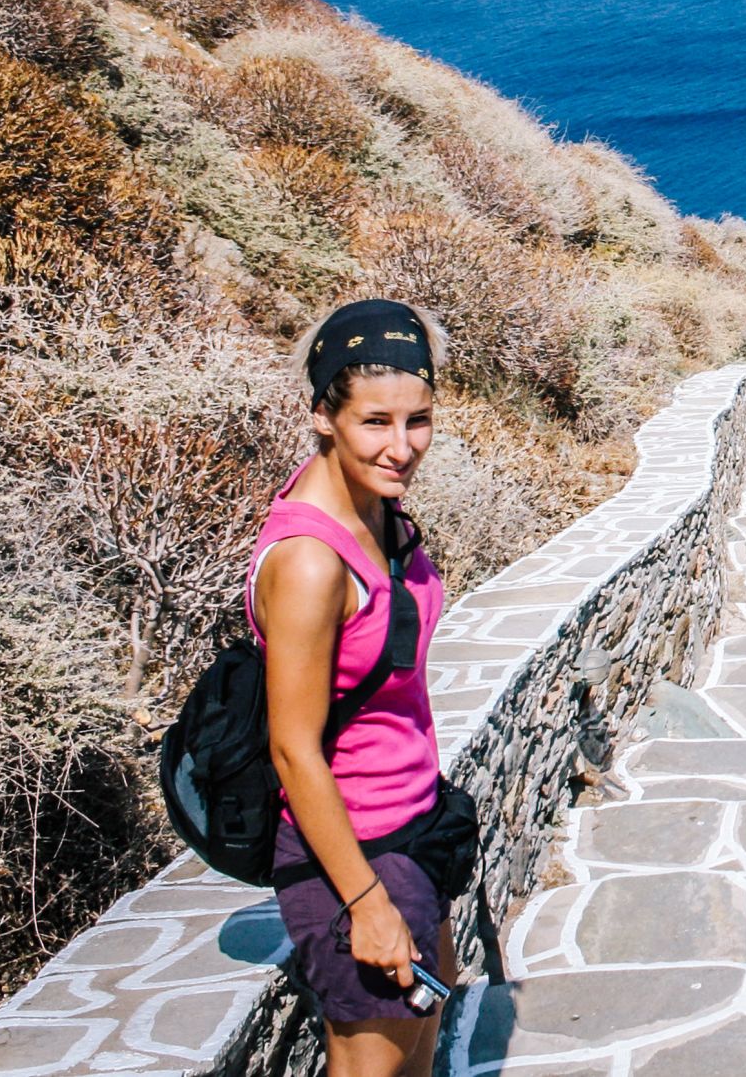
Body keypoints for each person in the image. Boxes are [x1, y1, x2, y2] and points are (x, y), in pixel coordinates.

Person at [249, 299, 458, 1077]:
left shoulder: (381, 514)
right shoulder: (313, 560)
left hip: (411, 826)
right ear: (322, 415)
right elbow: (292, 748)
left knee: (422, 1037)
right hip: (352, 850)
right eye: (375, 421)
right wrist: (367, 903)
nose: (402, 446)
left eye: (419, 420)